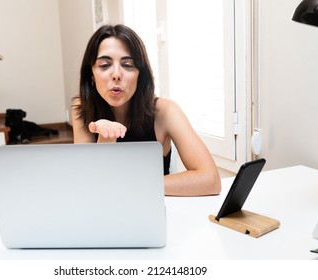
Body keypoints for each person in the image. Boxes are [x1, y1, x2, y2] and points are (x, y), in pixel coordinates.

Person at [72, 24, 221, 196]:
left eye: (127, 65)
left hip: (157, 210)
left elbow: (210, 180)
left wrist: (136, 185)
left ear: (140, 74)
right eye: (105, 65)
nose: (116, 74)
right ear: (91, 74)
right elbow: (90, 186)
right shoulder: (82, 109)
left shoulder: (165, 111)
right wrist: (106, 138)